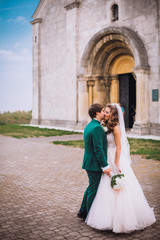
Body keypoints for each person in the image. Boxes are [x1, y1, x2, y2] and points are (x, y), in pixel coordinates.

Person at [85, 103, 156, 233]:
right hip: (106, 158)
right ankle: (104, 216)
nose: (105, 113)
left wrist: (116, 163)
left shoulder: (116, 128)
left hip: (114, 158)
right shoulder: (104, 126)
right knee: (105, 187)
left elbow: (119, 147)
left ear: (112, 114)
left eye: (107, 112)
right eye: (104, 111)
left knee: (120, 188)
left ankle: (123, 220)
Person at [77, 103, 112, 220]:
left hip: (89, 162)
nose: (104, 112)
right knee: (93, 189)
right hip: (94, 164)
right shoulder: (97, 128)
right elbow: (98, 149)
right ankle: (89, 215)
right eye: (103, 110)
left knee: (91, 187)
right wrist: (105, 166)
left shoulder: (89, 125)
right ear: (97, 113)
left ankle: (82, 212)